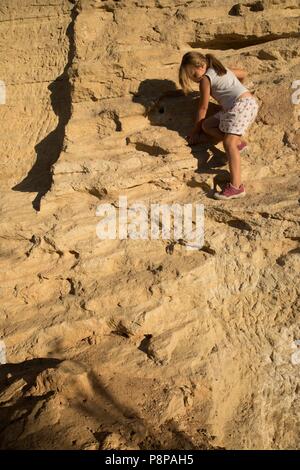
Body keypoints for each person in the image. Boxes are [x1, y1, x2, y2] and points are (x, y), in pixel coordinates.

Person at [179, 51, 259, 200]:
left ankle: (236, 187)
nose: (195, 79)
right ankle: (239, 143)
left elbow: (203, 108)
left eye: (194, 75)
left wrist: (195, 131)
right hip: (240, 105)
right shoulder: (220, 69)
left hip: (241, 106)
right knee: (208, 125)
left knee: (228, 144)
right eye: (191, 77)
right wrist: (235, 88)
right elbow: (243, 73)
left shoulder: (205, 79)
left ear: (202, 66)